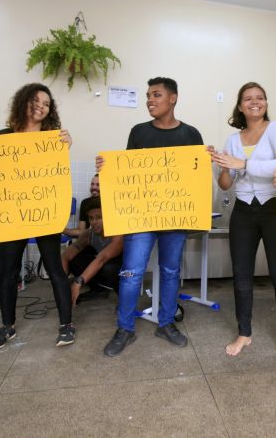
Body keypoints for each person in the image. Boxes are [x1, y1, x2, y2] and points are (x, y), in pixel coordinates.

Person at [99, 77, 203, 357]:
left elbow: (196, 178)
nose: (149, 100)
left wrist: (207, 161)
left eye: (156, 95)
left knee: (170, 272)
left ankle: (166, 323)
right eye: (147, 96)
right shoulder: (139, 132)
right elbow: (128, 173)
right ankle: (125, 328)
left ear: (173, 98)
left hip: (176, 218)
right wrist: (107, 170)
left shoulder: (191, 135)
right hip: (141, 218)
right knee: (132, 273)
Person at [0, 83, 75, 350]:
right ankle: (8, 327)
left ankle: (66, 325)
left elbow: (58, 173)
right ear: (24, 102)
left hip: (45, 213)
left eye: (47, 103)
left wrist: (66, 147)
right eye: (36, 101)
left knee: (54, 269)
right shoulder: (3, 136)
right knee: (8, 271)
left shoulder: (53, 138)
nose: (41, 106)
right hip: (13, 214)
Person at [210, 82, 276, 358]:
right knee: (241, 276)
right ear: (240, 106)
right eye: (248, 99)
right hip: (243, 211)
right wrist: (219, 163)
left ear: (266, 103)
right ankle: (244, 334)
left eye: (260, 98)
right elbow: (225, 184)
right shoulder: (233, 139)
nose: (254, 102)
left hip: (274, 208)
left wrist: (244, 164)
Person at [61, 196, 123, 304]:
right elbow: (66, 256)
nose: (94, 222)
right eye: (91, 218)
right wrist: (61, 285)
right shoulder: (89, 234)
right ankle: (98, 290)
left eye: (99, 217)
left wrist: (78, 282)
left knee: (109, 268)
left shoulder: (118, 233)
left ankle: (124, 299)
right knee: (74, 260)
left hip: (122, 270)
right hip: (102, 264)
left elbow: (102, 259)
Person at [63, 174, 100, 239]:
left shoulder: (109, 203)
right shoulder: (85, 203)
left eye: (98, 185)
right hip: (89, 241)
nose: (94, 187)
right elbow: (81, 231)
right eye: (92, 184)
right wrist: (60, 229)